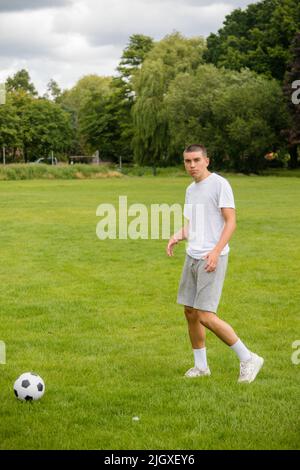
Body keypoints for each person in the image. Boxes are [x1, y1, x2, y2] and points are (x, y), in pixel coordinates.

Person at [166, 144, 264, 383]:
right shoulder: (191, 189)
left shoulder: (220, 184)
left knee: (206, 315)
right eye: (188, 161)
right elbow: (194, 223)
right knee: (190, 312)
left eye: (196, 160)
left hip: (212, 258)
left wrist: (215, 251)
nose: (192, 165)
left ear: (207, 161)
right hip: (192, 256)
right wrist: (178, 235)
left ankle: (249, 358)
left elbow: (231, 222)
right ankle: (201, 367)